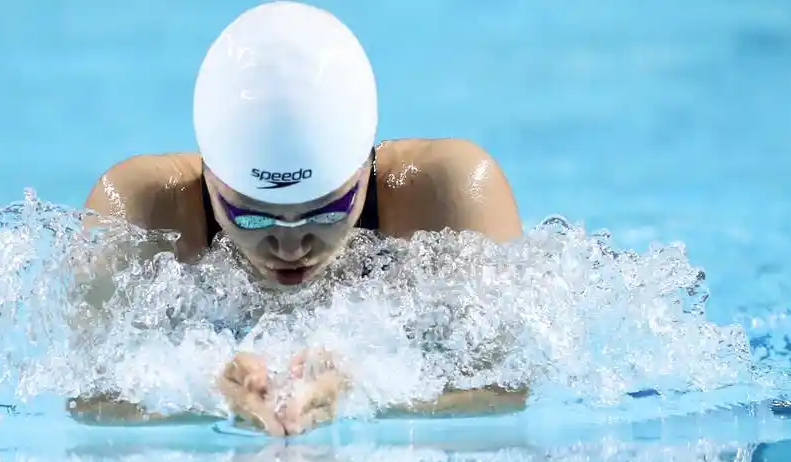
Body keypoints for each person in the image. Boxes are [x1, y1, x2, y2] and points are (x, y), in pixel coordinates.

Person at [75, 1, 527, 436]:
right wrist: (210, 394)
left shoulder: (445, 197)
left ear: (363, 171)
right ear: (209, 177)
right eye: (251, 217)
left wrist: (360, 393)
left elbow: (505, 391)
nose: (290, 248)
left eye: (328, 210)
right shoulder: (142, 215)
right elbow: (91, 402)